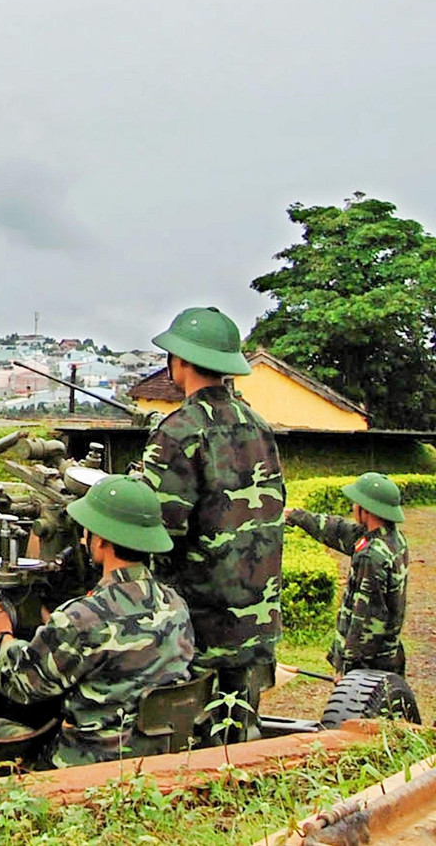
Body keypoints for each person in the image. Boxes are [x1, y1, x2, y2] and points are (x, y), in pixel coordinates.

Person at [0, 475, 194, 767]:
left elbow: (21, 684)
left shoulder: (81, 618)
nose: (82, 538)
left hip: (90, 762)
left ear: (100, 539)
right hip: (159, 752)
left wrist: (3, 637)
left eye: (87, 531)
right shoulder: (175, 604)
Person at [141, 306, 284, 740]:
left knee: (196, 747)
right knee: (240, 737)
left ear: (180, 362)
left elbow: (157, 532)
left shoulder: (179, 431)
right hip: (256, 617)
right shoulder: (259, 427)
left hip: (198, 626)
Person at [285, 472, 408, 678]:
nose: (353, 508)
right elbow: (339, 530)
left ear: (366, 509)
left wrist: (348, 668)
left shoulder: (371, 557)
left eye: (356, 503)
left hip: (368, 666)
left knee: (358, 710)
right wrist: (297, 516)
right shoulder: (392, 540)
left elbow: (365, 617)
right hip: (388, 655)